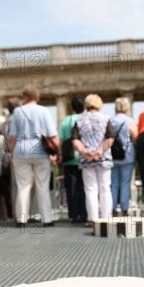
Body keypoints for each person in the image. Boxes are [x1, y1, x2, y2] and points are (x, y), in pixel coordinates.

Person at [8, 84, 59, 227]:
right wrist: (57, 151)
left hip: (21, 151)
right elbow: (52, 135)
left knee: (23, 186)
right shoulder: (44, 111)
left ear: (25, 96)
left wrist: (12, 154)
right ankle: (47, 219)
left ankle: (21, 219)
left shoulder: (17, 112)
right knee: (42, 185)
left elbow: (12, 137)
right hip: (40, 151)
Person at [72, 94, 115, 226]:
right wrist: (100, 151)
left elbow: (75, 139)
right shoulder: (105, 118)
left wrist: (85, 152)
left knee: (90, 189)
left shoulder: (79, 120)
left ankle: (92, 218)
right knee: (105, 188)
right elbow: (110, 137)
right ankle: (107, 217)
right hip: (103, 158)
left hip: (87, 159)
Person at [59, 95, 87, 223]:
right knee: (84, 187)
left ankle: (74, 215)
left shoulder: (66, 120)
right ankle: (85, 213)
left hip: (69, 159)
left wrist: (59, 156)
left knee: (71, 188)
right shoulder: (86, 119)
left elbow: (60, 140)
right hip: (85, 157)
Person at [110, 97, 138, 216]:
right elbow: (135, 137)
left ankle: (112, 208)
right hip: (127, 155)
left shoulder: (110, 120)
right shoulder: (129, 121)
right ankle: (125, 208)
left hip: (112, 156)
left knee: (113, 183)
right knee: (126, 183)